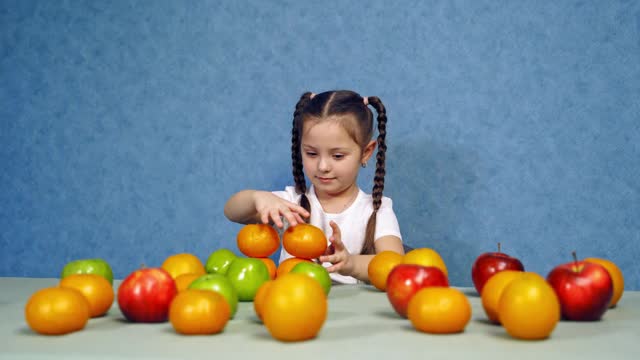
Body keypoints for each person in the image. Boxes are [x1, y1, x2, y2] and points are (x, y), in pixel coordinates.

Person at [224, 90, 404, 284]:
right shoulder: (289, 204)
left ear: (366, 152)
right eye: (311, 153)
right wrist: (256, 197)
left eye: (337, 156)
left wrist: (350, 263)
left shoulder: (377, 210)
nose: (323, 167)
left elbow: (395, 265)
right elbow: (232, 212)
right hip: (292, 304)